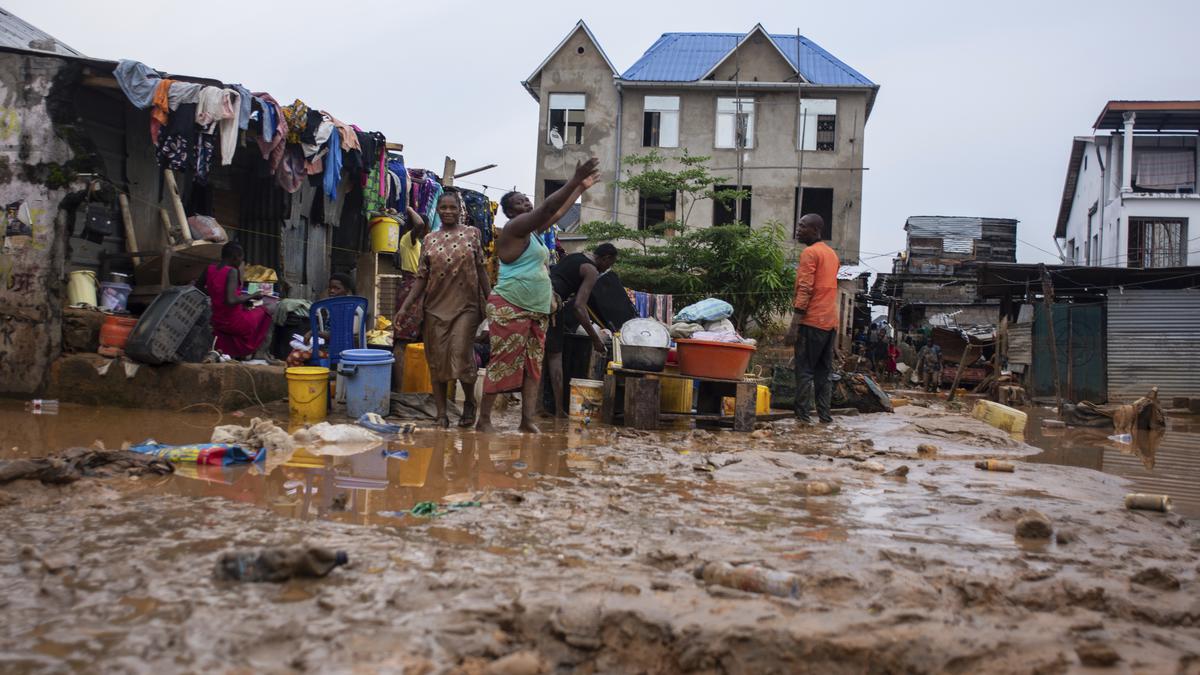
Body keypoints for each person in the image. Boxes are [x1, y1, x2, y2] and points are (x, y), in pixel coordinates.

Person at [476, 157, 601, 433]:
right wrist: (573, 179)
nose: (527, 204)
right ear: (510, 212)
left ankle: (527, 420)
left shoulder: (531, 234)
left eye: (526, 200)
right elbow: (549, 207)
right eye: (520, 202)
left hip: (537, 308)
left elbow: (554, 215)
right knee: (503, 363)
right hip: (511, 305)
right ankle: (483, 420)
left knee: (534, 366)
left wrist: (580, 188)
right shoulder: (514, 229)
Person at [395, 192, 490, 428]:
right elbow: (421, 278)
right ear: (437, 210)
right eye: (443, 207)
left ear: (460, 210)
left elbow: (481, 271)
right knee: (436, 361)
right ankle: (441, 414)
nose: (448, 211)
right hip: (435, 307)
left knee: (460, 353)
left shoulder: (472, 234)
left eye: (452, 207)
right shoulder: (429, 239)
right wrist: (405, 308)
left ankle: (469, 402)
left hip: (466, 306)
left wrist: (491, 302)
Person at [545, 242, 619, 417]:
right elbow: (579, 307)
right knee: (555, 357)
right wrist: (595, 339)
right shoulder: (592, 270)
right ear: (606, 258)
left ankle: (538, 407)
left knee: (538, 356)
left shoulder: (574, 256)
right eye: (610, 264)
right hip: (552, 304)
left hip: (538, 296)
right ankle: (558, 409)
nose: (608, 268)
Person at [784, 214, 840, 424]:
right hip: (829, 323)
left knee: (805, 371)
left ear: (816, 230)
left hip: (811, 321)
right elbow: (830, 291)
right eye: (798, 225)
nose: (798, 229)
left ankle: (802, 419)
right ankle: (825, 418)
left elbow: (806, 289)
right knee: (823, 374)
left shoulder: (810, 253)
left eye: (803, 226)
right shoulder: (832, 254)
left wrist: (793, 326)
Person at [205, 242, 272, 359]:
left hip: (217, 320)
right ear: (235, 257)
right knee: (269, 310)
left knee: (251, 310)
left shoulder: (209, 269)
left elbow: (200, 288)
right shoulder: (232, 271)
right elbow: (230, 300)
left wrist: (241, 300)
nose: (241, 262)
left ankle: (236, 353)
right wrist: (253, 295)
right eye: (241, 259)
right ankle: (261, 353)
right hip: (234, 322)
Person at [391, 206, 428, 391]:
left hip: (418, 289)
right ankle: (400, 389)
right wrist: (407, 206)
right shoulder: (409, 240)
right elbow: (419, 223)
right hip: (411, 288)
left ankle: (414, 387)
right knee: (403, 341)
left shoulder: (418, 244)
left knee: (415, 341)